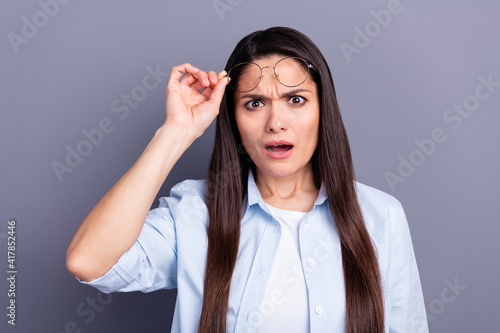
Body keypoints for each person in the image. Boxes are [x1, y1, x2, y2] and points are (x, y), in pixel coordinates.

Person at [66, 27, 428, 333]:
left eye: (296, 99)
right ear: (234, 119)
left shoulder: (382, 217)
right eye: (254, 103)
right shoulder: (195, 212)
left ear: (324, 111)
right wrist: (176, 132)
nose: (275, 122)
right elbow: (88, 260)